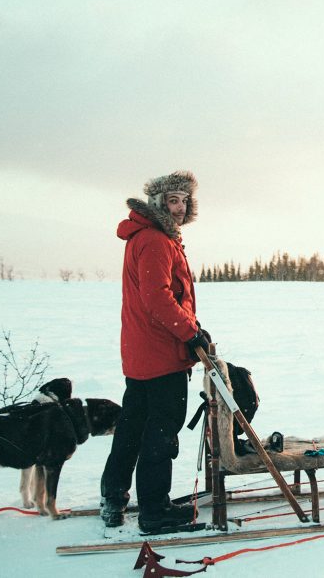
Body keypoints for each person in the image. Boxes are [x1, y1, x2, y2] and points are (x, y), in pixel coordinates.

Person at [99, 170, 212, 532]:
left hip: (141, 353)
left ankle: (113, 496)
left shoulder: (147, 237)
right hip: (161, 354)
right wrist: (191, 332)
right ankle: (155, 512)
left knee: (132, 428)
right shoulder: (155, 241)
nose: (179, 208)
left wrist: (190, 327)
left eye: (184, 200)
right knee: (161, 434)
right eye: (172, 200)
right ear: (159, 203)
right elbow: (157, 298)